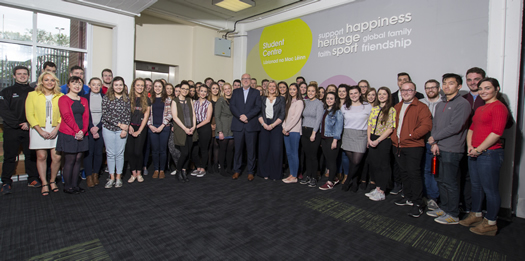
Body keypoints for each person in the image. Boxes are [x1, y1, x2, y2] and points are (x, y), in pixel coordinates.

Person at [461, 78, 508, 236]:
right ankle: (476, 214)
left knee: (490, 190)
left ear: (497, 89)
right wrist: (470, 147)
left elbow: (497, 132)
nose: (483, 91)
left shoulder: (499, 107)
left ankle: (490, 223)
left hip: (490, 154)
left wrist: (479, 149)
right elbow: (471, 129)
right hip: (474, 152)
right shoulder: (481, 108)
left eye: (487, 88)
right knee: (476, 187)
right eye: (481, 88)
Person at [425, 73, 471, 224]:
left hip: (452, 150)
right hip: (438, 148)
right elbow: (435, 126)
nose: (446, 86)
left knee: (450, 182)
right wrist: (434, 143)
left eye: (451, 83)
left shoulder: (462, 104)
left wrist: (435, 138)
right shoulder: (440, 104)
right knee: (440, 179)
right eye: (445, 83)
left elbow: (456, 127)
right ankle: (444, 208)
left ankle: (453, 213)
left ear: (459, 86)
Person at [391, 81, 432, 218]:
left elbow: (426, 125)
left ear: (414, 92)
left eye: (409, 90)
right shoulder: (397, 106)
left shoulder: (421, 107)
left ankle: (418, 203)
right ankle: (407, 197)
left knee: (414, 174)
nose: (406, 92)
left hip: (413, 146)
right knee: (404, 173)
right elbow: (391, 125)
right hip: (398, 146)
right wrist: (394, 138)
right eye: (403, 90)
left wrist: (411, 136)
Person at [0, 66, 39, 195]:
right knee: (10, 157)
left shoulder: (34, 91)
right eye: (19, 74)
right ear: (14, 76)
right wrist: (18, 124)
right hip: (12, 129)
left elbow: (38, 110)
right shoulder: (6, 91)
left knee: (30, 155)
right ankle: (6, 182)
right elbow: (4, 111)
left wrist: (29, 123)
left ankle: (32, 179)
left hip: (29, 128)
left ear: (28, 76)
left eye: (25, 74)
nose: (22, 76)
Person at [25, 71, 63, 195]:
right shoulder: (32, 95)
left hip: (55, 129)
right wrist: (40, 130)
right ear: (41, 81)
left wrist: (56, 129)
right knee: (41, 157)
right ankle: (44, 182)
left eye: (52, 80)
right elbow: (29, 114)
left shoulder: (61, 96)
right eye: (46, 80)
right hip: (38, 129)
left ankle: (52, 181)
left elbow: (63, 115)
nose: (49, 82)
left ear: (56, 82)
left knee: (56, 157)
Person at [56, 76, 89, 194]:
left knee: (78, 159)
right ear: (68, 85)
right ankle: (67, 186)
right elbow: (66, 116)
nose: (77, 86)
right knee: (70, 160)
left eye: (79, 84)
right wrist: (77, 130)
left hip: (82, 133)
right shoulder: (63, 99)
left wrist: (83, 131)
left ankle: (75, 185)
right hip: (69, 133)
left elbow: (86, 117)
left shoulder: (84, 100)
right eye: (74, 83)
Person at [460, 67, 486, 214]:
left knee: (481, 181)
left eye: (476, 79)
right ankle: (467, 207)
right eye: (469, 79)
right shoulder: (463, 99)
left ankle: (479, 210)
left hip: (484, 145)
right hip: (464, 144)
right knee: (465, 176)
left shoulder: (490, 98)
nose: (473, 82)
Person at [364, 87, 396, 201]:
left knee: (383, 166)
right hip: (372, 138)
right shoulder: (375, 109)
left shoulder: (391, 110)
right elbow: (369, 125)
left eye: (384, 94)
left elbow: (390, 129)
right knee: (374, 165)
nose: (381, 96)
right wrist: (369, 139)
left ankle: (382, 190)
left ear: (388, 96)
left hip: (383, 140)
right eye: (380, 94)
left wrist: (378, 141)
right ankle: (377, 188)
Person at [340, 86, 372, 192]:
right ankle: (354, 183)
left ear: (359, 94)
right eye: (351, 93)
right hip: (347, 134)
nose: (353, 95)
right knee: (353, 162)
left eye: (355, 93)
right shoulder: (345, 106)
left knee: (356, 161)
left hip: (361, 135)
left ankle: (348, 180)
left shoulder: (367, 106)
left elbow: (371, 123)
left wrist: (369, 138)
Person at [230, 73, 262, 181]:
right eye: (244, 79)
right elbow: (232, 106)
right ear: (241, 80)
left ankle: (250, 172)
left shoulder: (256, 92)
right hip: (238, 125)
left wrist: (247, 116)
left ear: (250, 80)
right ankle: (237, 170)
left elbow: (258, 107)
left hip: (251, 125)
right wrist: (240, 116)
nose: (246, 80)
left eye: (248, 78)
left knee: (251, 150)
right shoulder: (236, 92)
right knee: (238, 150)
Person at [102, 76, 130, 188]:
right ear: (112, 86)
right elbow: (105, 114)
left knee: (119, 154)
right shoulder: (106, 98)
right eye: (116, 85)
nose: (118, 87)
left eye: (120, 85)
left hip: (122, 131)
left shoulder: (126, 99)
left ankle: (118, 177)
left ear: (123, 86)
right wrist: (119, 124)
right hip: (108, 129)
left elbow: (128, 115)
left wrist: (124, 129)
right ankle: (111, 177)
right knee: (110, 153)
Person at [420, 79, 442, 211]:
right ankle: (423, 195)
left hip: (435, 144)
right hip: (419, 142)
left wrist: (435, 141)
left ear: (439, 89)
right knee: (422, 170)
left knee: (433, 172)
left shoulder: (444, 103)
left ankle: (433, 198)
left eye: (433, 87)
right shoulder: (421, 103)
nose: (430, 90)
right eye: (427, 88)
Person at [258, 81, 285, 180]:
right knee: (264, 150)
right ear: (267, 88)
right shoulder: (262, 98)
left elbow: (282, 114)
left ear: (276, 88)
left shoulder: (281, 99)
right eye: (270, 86)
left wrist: (272, 125)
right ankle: (264, 172)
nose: (272, 88)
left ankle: (275, 174)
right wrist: (264, 124)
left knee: (276, 150)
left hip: (276, 126)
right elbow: (259, 113)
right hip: (264, 125)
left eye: (274, 86)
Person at [171, 81, 197, 182]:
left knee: (189, 152)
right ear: (180, 89)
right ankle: (178, 171)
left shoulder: (190, 100)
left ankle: (184, 172)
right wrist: (185, 128)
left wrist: (194, 127)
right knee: (184, 152)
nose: (185, 91)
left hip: (191, 128)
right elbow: (175, 117)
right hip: (181, 130)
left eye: (187, 89)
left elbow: (193, 115)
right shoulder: (175, 101)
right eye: (183, 89)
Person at [126, 78, 150, 182]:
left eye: (142, 85)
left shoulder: (147, 99)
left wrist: (139, 131)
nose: (140, 87)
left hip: (141, 128)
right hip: (130, 127)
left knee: (138, 152)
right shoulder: (128, 98)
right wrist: (128, 126)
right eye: (138, 85)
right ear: (134, 86)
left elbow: (146, 117)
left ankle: (139, 173)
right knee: (130, 152)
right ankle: (133, 173)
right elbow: (125, 114)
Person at [318, 92, 343, 190]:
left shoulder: (338, 112)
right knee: (328, 160)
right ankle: (334, 178)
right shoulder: (325, 110)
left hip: (332, 139)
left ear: (335, 100)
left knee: (332, 161)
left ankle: (330, 182)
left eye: (331, 98)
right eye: (327, 98)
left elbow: (338, 127)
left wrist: (335, 140)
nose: (329, 100)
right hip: (324, 138)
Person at [299, 84, 324, 187]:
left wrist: (314, 133)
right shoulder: (305, 102)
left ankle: (314, 177)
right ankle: (308, 176)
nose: (310, 93)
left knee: (313, 156)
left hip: (313, 132)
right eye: (309, 91)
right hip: (304, 131)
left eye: (312, 91)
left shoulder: (319, 104)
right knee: (307, 156)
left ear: (316, 92)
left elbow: (319, 119)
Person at [83, 77, 105, 188]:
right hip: (88, 130)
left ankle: (96, 174)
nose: (96, 86)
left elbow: (106, 115)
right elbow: (84, 115)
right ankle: (89, 176)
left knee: (98, 153)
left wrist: (98, 128)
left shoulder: (105, 98)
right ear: (89, 86)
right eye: (93, 84)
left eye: (98, 84)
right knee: (88, 153)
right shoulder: (84, 98)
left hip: (101, 129)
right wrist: (92, 127)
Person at [148, 80, 172, 179]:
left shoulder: (168, 100)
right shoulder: (149, 99)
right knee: (154, 150)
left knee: (163, 150)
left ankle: (162, 170)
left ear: (163, 88)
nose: (157, 88)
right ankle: (156, 169)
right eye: (156, 86)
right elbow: (146, 114)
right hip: (152, 127)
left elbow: (170, 114)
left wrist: (163, 125)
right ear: (153, 88)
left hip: (164, 127)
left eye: (160, 86)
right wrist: (150, 125)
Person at [282, 83, 304, 184]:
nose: (291, 91)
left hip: (294, 130)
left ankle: (294, 176)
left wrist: (286, 128)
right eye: (290, 89)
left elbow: (296, 118)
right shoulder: (288, 101)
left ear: (297, 91)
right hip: (286, 130)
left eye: (294, 89)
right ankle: (291, 174)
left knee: (294, 153)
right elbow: (285, 116)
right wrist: (283, 127)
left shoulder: (299, 102)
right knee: (289, 153)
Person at [191, 85, 213, 177]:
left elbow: (208, 119)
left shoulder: (209, 104)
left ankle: (203, 168)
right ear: (198, 92)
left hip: (204, 127)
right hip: (195, 126)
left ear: (207, 93)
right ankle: (197, 167)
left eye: (205, 91)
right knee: (194, 150)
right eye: (201, 91)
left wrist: (196, 126)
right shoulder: (193, 102)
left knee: (204, 149)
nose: (203, 93)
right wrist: (194, 126)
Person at [215, 83, 234, 177]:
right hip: (222, 128)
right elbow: (217, 117)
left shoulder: (234, 99)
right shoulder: (220, 101)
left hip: (232, 128)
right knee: (223, 150)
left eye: (229, 88)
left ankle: (229, 168)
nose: (227, 90)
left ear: (231, 89)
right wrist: (220, 131)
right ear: (223, 90)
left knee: (230, 150)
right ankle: (222, 169)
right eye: (225, 89)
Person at [208, 82, 221, 174]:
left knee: (217, 145)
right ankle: (209, 165)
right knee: (209, 145)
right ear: (210, 90)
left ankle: (216, 164)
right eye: (213, 88)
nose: (215, 90)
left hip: (219, 123)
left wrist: (217, 124)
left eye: (217, 88)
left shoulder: (221, 100)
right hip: (208, 123)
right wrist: (210, 124)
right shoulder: (207, 100)